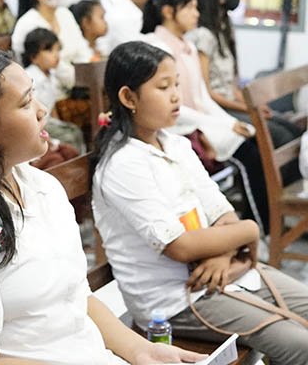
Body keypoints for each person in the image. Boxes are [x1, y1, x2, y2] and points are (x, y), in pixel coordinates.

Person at [0, 47, 206, 365]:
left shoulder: (43, 187)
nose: (42, 110)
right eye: (25, 103)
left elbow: (78, 299)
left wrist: (141, 351)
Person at [92, 41, 308, 365]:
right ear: (128, 97)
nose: (177, 95)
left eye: (176, 84)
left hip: (223, 272)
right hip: (175, 300)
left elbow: (221, 211)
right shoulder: (124, 164)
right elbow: (179, 246)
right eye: (163, 87)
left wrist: (223, 251)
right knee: (299, 343)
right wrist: (248, 231)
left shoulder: (176, 145)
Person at [142, 0, 270, 232]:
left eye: (196, 7)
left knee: (254, 140)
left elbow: (203, 98)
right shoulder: (157, 46)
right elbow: (171, 104)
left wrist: (231, 122)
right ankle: (262, 228)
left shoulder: (187, 45)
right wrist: (223, 125)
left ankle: (262, 222)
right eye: (189, 7)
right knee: (248, 156)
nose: (196, 13)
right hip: (178, 126)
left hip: (200, 121)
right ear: (168, 11)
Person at [188, 0, 300, 148]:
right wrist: (248, 109)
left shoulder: (224, 29)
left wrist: (253, 104)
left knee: (293, 129)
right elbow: (209, 93)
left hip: (233, 102)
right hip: (220, 108)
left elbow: (231, 86)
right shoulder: (203, 35)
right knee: (282, 136)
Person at [12, 0, 91, 94]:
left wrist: (87, 75)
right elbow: (51, 66)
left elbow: (83, 51)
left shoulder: (64, 14)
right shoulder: (28, 24)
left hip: (78, 88)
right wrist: (80, 80)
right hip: (46, 94)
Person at [22, 27, 85, 153]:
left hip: (48, 121)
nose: (56, 55)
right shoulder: (30, 77)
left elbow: (52, 107)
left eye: (58, 50)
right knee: (68, 137)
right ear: (34, 57)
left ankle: (81, 165)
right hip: (35, 124)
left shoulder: (51, 75)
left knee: (76, 131)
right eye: (50, 50)